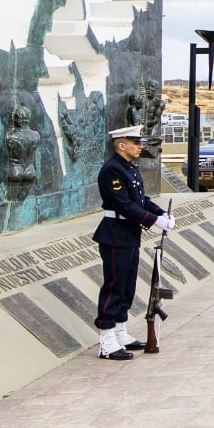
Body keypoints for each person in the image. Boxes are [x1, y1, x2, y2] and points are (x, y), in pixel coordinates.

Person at [93, 125, 175, 360]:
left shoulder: (128, 168)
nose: (140, 147)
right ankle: (107, 339)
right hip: (115, 233)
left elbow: (140, 199)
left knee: (127, 285)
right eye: (136, 143)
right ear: (121, 145)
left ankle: (120, 330)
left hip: (129, 233)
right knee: (114, 286)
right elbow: (124, 205)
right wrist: (154, 221)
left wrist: (161, 214)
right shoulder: (112, 170)